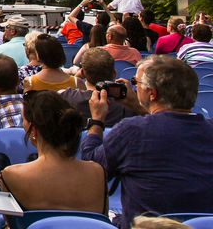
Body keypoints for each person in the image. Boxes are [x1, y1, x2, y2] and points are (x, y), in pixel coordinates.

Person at [82, 56, 213, 227]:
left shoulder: (132, 131)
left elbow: (93, 168)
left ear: (152, 93)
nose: (134, 88)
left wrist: (97, 121)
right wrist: (137, 106)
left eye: (136, 83)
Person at [0, 90, 107, 223]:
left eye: (23, 121)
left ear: (34, 131)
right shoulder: (97, 172)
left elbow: (13, 224)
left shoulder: (11, 176)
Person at [61, 48, 142, 127]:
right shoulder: (130, 102)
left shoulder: (65, 97)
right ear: (114, 73)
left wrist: (76, 78)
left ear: (82, 73)